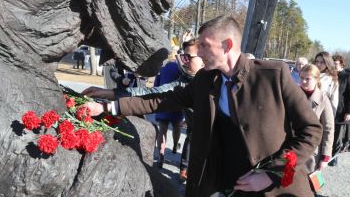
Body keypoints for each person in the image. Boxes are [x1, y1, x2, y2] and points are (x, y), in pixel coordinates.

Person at [84, 16, 322, 196]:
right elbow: (160, 99)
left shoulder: (273, 75)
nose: (198, 52)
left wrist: (271, 174)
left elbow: (311, 131)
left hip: (278, 189)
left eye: (205, 46)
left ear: (227, 45)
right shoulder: (205, 80)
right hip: (227, 185)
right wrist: (107, 108)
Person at [82, 39, 203, 180]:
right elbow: (150, 95)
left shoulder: (216, 81)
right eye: (183, 57)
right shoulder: (184, 81)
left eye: (189, 57)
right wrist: (108, 94)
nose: (184, 61)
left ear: (204, 57)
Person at [299, 64, 334, 175]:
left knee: (308, 186)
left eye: (307, 79)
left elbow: (329, 128)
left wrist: (325, 156)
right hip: (291, 149)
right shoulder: (293, 94)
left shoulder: (323, 99)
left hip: (311, 151)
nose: (303, 81)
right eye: (301, 78)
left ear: (316, 79)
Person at [329, 54, 350, 166]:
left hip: (340, 110)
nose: (334, 65)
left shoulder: (347, 76)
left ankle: (334, 157)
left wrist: (348, 112)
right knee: (328, 134)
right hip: (328, 108)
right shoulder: (329, 75)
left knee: (337, 136)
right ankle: (325, 155)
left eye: (336, 63)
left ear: (341, 64)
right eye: (332, 63)